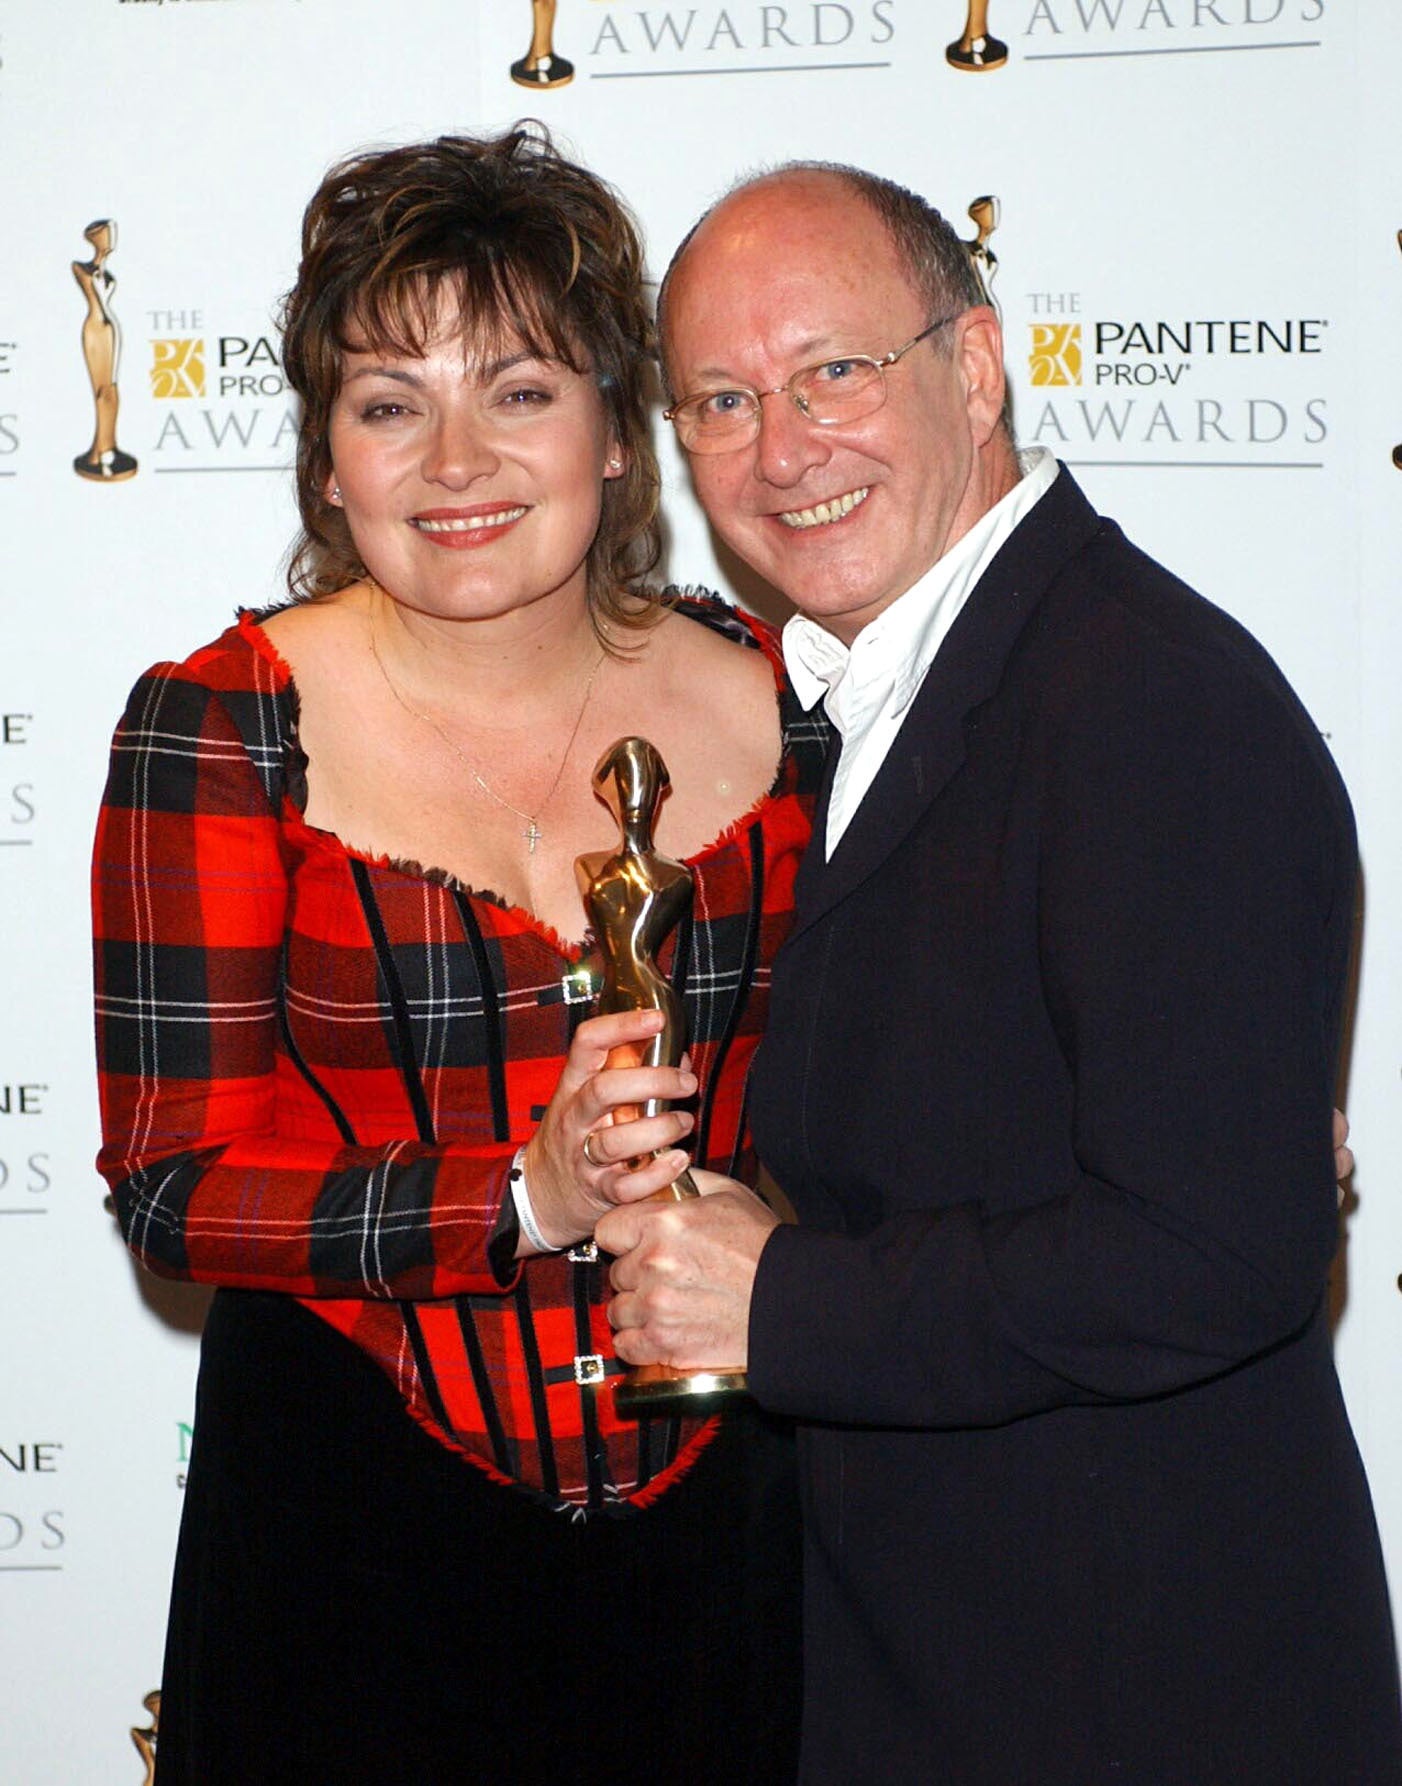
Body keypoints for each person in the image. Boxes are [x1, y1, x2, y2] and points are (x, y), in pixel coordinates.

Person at [597, 161, 1402, 1782]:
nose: (783, 446)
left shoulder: (1145, 703)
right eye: (724, 398)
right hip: (953, 1669)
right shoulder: (863, 701)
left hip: (1131, 1699)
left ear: (973, 369)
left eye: (835, 371)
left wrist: (785, 1296)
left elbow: (1218, 1247)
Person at [92, 129, 822, 1784]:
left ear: (615, 439)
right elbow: (169, 1183)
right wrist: (517, 1198)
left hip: (725, 1527)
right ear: (328, 462)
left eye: (518, 388)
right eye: (386, 400)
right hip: (348, 1541)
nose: (452, 459)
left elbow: (913, 1050)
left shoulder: (783, 698)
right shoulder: (218, 726)